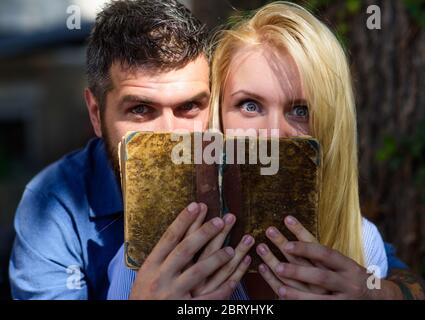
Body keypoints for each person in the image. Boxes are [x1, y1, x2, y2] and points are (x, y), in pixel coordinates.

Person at [106, 1, 425, 300]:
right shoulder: (153, 259)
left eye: (300, 110)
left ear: (330, 127)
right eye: (250, 105)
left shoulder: (361, 243)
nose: (273, 135)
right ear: (218, 114)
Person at [8, 0, 251, 300]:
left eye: (188, 107)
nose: (169, 136)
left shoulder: (250, 181)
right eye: (140, 109)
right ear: (96, 114)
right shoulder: (53, 205)